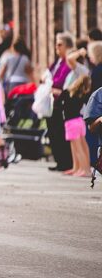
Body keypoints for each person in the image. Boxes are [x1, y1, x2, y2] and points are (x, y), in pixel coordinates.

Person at [47, 32, 75, 172]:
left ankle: (65, 162)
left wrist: (51, 84)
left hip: (61, 100)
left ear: (67, 46)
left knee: (60, 132)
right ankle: (59, 160)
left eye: (60, 44)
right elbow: (49, 73)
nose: (57, 47)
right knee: (53, 131)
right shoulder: (57, 61)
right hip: (52, 99)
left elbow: (60, 80)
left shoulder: (68, 62)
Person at [60, 73, 93, 177]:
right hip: (80, 121)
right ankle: (79, 168)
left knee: (77, 148)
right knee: (83, 146)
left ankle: (84, 170)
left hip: (71, 122)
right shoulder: (83, 94)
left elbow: (59, 101)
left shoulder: (67, 92)